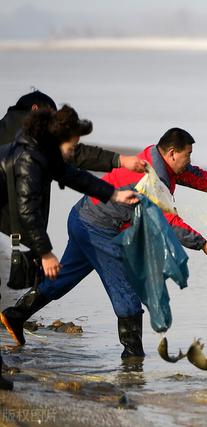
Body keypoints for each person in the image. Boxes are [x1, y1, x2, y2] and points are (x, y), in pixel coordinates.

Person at [1, 127, 207, 360]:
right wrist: (203, 244)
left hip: (82, 216)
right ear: (172, 153)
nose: (190, 161)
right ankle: (133, 359)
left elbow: (197, 177)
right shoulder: (152, 178)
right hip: (98, 228)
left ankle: (15, 316)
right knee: (126, 295)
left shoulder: (154, 157)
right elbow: (168, 221)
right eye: (187, 155)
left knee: (64, 278)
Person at [0, 105, 139, 391]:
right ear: (58, 137)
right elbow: (27, 212)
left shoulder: (44, 153)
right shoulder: (29, 160)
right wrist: (46, 252)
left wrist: (113, 193)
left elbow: (77, 177)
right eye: (74, 145)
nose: (75, 149)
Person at [0, 89, 146, 172]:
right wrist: (119, 160)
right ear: (35, 109)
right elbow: (76, 154)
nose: (53, 124)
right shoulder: (36, 138)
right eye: (50, 116)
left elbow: (73, 177)